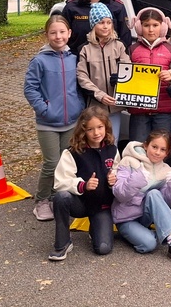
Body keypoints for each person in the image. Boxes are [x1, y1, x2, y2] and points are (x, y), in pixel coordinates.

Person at [24, 16, 86, 221]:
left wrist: (79, 107)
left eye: (62, 32)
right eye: (53, 32)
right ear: (47, 35)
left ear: (69, 34)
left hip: (71, 122)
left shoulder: (73, 58)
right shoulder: (39, 60)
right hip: (48, 123)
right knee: (51, 163)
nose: (58, 36)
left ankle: (58, 198)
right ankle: (42, 200)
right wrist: (45, 110)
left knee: (66, 163)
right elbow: (30, 89)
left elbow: (78, 86)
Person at [112, 129, 171, 266]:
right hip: (126, 218)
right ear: (145, 145)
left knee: (154, 193)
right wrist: (137, 179)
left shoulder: (165, 169)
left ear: (167, 153)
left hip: (145, 217)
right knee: (149, 244)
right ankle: (160, 233)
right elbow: (120, 194)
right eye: (154, 147)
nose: (157, 152)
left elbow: (170, 200)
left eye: (162, 149)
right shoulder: (128, 161)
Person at [49, 106, 120, 260]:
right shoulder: (72, 152)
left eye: (100, 127)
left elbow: (118, 173)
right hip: (80, 203)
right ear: (83, 131)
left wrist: (113, 181)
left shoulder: (112, 150)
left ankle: (94, 228)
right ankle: (63, 243)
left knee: (103, 248)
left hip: (101, 206)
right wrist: (83, 185)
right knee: (61, 197)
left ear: (106, 127)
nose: (96, 133)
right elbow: (60, 182)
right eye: (90, 129)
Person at [76, 3, 130, 145]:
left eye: (108, 22)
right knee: (96, 141)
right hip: (95, 107)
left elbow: (128, 68)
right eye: (101, 23)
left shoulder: (119, 46)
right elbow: (82, 77)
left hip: (115, 105)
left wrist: (120, 78)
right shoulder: (85, 49)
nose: (105, 26)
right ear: (93, 25)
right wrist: (99, 94)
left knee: (113, 140)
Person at [127, 7, 171, 142]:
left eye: (155, 25)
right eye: (146, 25)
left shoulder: (170, 49)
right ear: (139, 27)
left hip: (163, 111)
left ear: (162, 27)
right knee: (137, 149)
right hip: (139, 111)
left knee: (162, 149)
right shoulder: (132, 49)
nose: (151, 30)